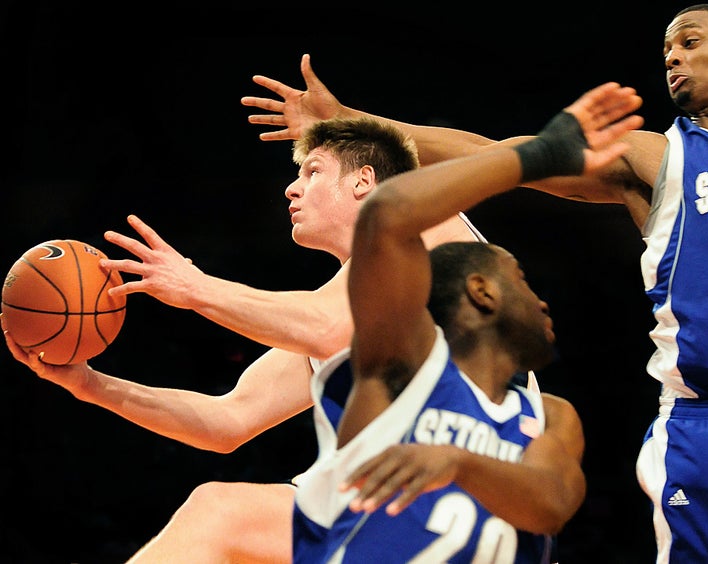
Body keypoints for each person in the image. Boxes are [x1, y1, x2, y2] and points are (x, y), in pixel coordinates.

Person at [244, 5, 708, 562]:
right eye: (669, 49)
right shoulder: (660, 156)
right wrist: (349, 121)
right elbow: (490, 153)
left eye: (690, 43)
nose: (674, 56)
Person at [2, 117, 489, 563]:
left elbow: (328, 326)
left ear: (364, 180)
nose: (291, 188)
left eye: (312, 171)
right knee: (221, 515)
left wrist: (195, 287)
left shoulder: (427, 223)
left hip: (472, 500)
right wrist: (87, 384)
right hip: (388, 512)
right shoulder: (327, 319)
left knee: (220, 512)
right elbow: (225, 422)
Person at [291, 81, 642, 562]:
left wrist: (456, 462)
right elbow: (385, 214)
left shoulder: (552, 415)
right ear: (482, 292)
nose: (542, 302)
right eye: (521, 279)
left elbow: (552, 504)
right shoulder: (397, 376)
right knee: (219, 506)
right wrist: (538, 155)